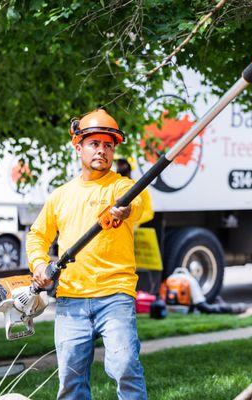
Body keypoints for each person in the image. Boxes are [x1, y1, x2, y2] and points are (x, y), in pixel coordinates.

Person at [26, 109, 148, 400]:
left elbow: (136, 204)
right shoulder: (61, 196)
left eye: (108, 145)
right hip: (71, 299)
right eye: (94, 144)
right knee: (70, 381)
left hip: (115, 294)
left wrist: (125, 208)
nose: (102, 151)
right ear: (78, 147)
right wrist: (40, 263)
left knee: (124, 366)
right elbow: (37, 235)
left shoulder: (123, 187)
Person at [115, 158, 154, 226]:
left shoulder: (141, 189)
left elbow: (149, 213)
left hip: (131, 231)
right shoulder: (110, 187)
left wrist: (131, 219)